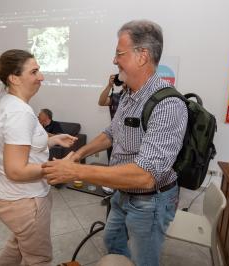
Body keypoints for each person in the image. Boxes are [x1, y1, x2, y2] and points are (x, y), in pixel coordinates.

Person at [42, 20, 188, 266]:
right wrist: (78, 155)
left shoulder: (168, 105)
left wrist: (76, 171)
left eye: (119, 53)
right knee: (112, 241)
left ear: (142, 56)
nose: (114, 60)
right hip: (123, 193)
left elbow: (145, 176)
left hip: (149, 201)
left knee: (144, 259)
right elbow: (111, 133)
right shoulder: (130, 94)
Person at [0, 49, 77, 266]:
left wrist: (52, 140)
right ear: (14, 78)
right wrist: (59, 167)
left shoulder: (11, 104)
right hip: (23, 199)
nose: (41, 77)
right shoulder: (19, 113)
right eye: (34, 72)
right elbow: (16, 170)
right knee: (38, 258)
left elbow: (22, 144)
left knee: (19, 245)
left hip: (8, 193)